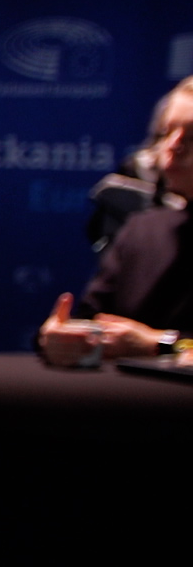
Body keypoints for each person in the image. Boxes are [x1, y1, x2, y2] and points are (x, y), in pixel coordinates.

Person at [40, 75, 193, 365]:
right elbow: (92, 321)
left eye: (192, 136)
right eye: (166, 132)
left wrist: (161, 344)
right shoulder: (142, 229)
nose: (173, 145)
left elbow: (151, 343)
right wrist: (59, 338)